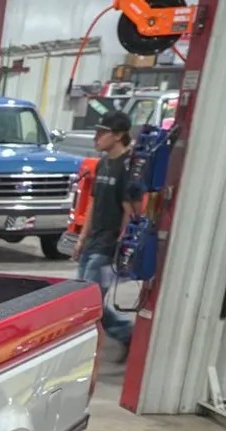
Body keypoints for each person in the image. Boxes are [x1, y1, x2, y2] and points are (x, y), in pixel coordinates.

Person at [79, 110, 145, 353]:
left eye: (102, 132)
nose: (96, 137)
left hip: (107, 247)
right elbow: (94, 202)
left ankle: (124, 333)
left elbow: (131, 210)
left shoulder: (127, 168)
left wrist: (121, 246)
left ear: (118, 136)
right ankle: (123, 333)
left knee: (88, 300)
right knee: (84, 298)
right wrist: (81, 238)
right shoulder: (104, 162)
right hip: (93, 242)